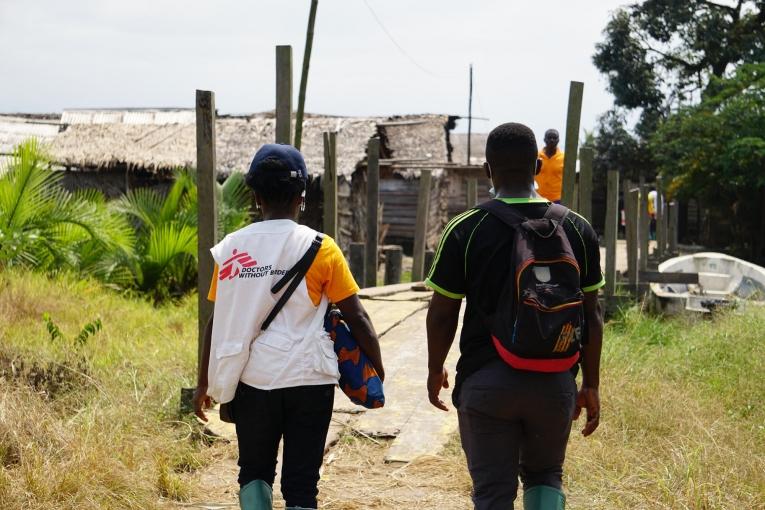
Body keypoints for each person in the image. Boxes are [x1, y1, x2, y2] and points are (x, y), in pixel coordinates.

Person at [193, 144, 385, 510]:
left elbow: (216, 322)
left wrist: (204, 382)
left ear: (254, 196)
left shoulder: (231, 249)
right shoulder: (322, 248)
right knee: (301, 483)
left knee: (253, 471)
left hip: (251, 382)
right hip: (309, 380)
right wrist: (376, 367)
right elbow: (357, 316)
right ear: (302, 197)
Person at [424, 123, 604, 510]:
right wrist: (590, 383)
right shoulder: (577, 228)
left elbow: (442, 314)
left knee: (492, 493)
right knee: (545, 477)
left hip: (486, 384)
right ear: (537, 167)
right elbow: (593, 315)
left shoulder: (465, 228)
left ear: (487, 171)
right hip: (554, 383)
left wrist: (434, 368)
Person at [536, 129, 565, 203]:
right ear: (544, 139)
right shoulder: (536, 156)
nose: (552, 140)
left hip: (557, 199)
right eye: (549, 138)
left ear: (558, 140)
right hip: (538, 197)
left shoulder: (564, 158)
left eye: (554, 138)